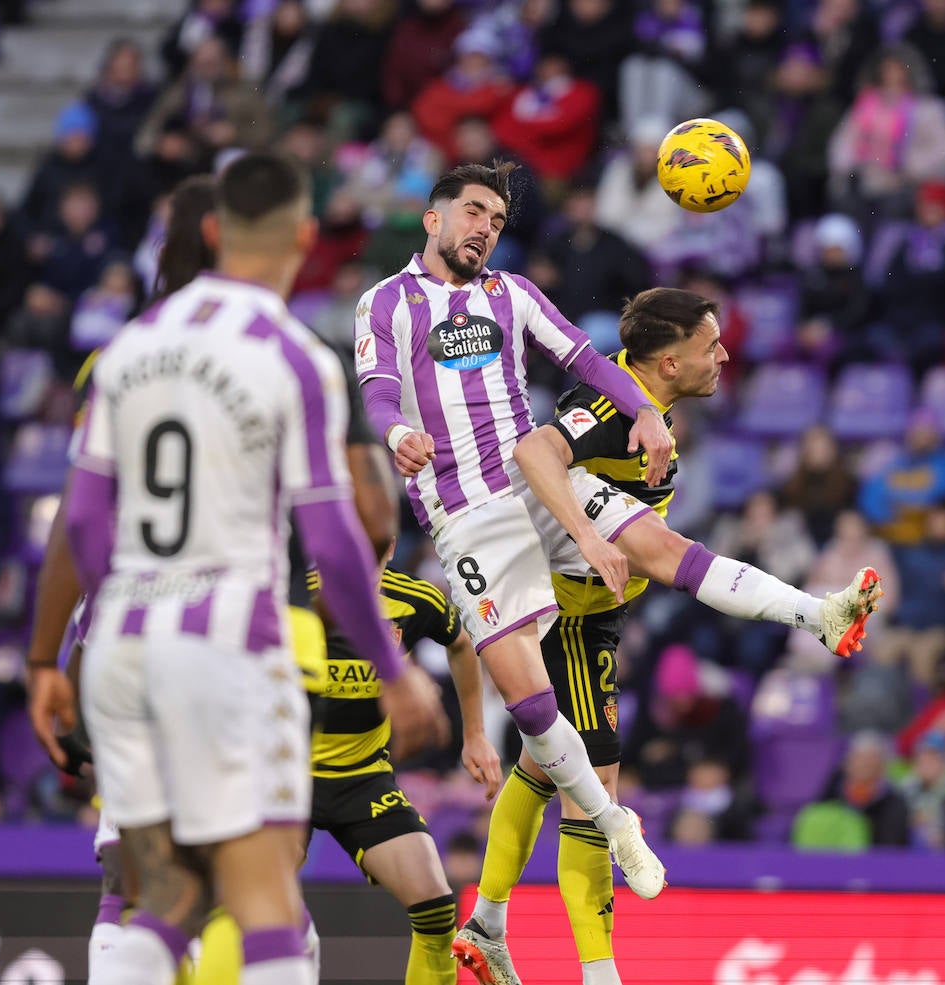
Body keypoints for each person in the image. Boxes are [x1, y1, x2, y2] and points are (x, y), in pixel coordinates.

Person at [61, 152, 445, 985]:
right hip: (229, 645)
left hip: (124, 646)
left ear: (211, 230)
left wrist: (101, 634)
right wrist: (392, 667)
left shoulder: (129, 349)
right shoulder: (293, 356)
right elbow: (338, 536)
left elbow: (83, 520)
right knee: (266, 899)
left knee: (155, 893)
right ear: (305, 237)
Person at [448, 288, 883, 985]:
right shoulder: (611, 407)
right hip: (563, 615)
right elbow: (535, 448)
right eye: (712, 344)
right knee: (598, 782)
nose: (725, 354)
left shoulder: (647, 405)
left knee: (544, 768)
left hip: (592, 610)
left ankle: (487, 920)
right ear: (671, 361)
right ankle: (599, 974)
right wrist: (587, 533)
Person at [355, 162, 675, 915]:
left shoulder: (513, 294)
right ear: (432, 219)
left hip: (537, 486)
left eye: (496, 222)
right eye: (472, 212)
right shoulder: (388, 302)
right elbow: (373, 392)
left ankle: (813, 611)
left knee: (664, 549)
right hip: (464, 515)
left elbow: (587, 359)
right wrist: (397, 428)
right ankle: (611, 821)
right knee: (528, 702)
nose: (484, 230)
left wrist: (646, 409)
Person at [192, 548, 502, 985]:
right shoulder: (296, 594)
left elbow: (461, 643)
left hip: (364, 779)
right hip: (287, 776)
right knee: (248, 902)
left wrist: (475, 733)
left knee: (436, 906)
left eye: (382, 538)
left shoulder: (413, 600)